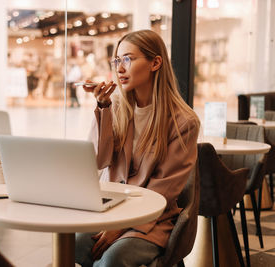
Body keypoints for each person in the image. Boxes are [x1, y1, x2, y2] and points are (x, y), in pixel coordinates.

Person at [75, 30, 200, 267]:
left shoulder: (184, 122)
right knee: (74, 244)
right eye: (117, 60)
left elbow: (164, 189)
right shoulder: (115, 108)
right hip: (110, 210)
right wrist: (103, 108)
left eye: (128, 59)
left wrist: (121, 226)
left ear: (155, 63)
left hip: (152, 220)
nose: (119, 68)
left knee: (113, 259)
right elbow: (98, 161)